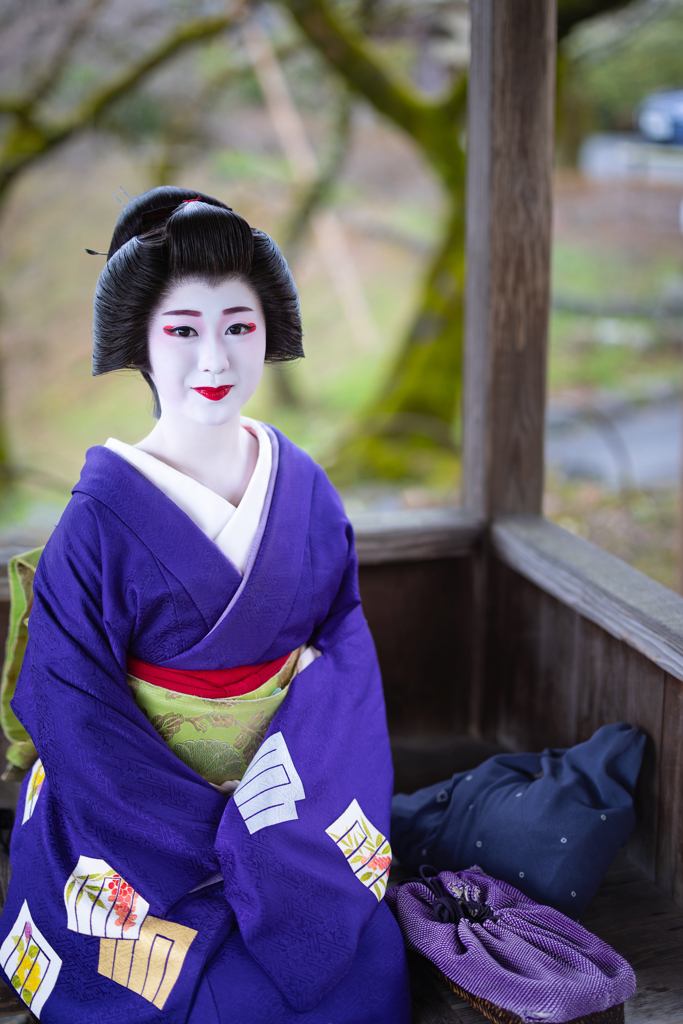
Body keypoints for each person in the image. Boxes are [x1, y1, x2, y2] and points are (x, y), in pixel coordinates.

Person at [0, 187, 410, 1023]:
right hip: (132, 826)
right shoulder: (97, 523)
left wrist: (276, 818)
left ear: (271, 334)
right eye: (184, 330)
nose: (216, 361)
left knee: (354, 958)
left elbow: (345, 651)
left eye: (239, 327)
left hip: (288, 799)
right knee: (171, 980)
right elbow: (73, 710)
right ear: (142, 343)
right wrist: (210, 838)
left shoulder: (306, 490)